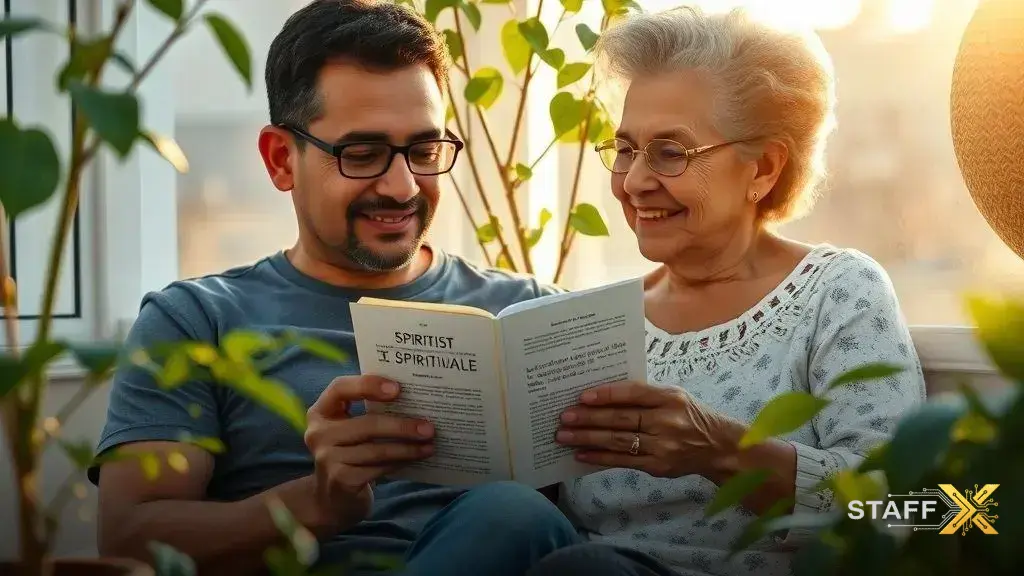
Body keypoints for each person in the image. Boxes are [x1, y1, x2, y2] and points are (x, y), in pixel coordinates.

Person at [88, 1, 582, 574]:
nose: (401, 188)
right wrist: (318, 504)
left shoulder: (527, 314)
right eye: (363, 155)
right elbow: (127, 539)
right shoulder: (195, 321)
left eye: (423, 151)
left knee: (517, 517)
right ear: (281, 160)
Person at [527, 6, 927, 576]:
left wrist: (720, 450)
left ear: (762, 169)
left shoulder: (837, 293)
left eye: (670, 152)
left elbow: (918, 509)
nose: (636, 181)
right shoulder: (591, 322)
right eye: (625, 149)